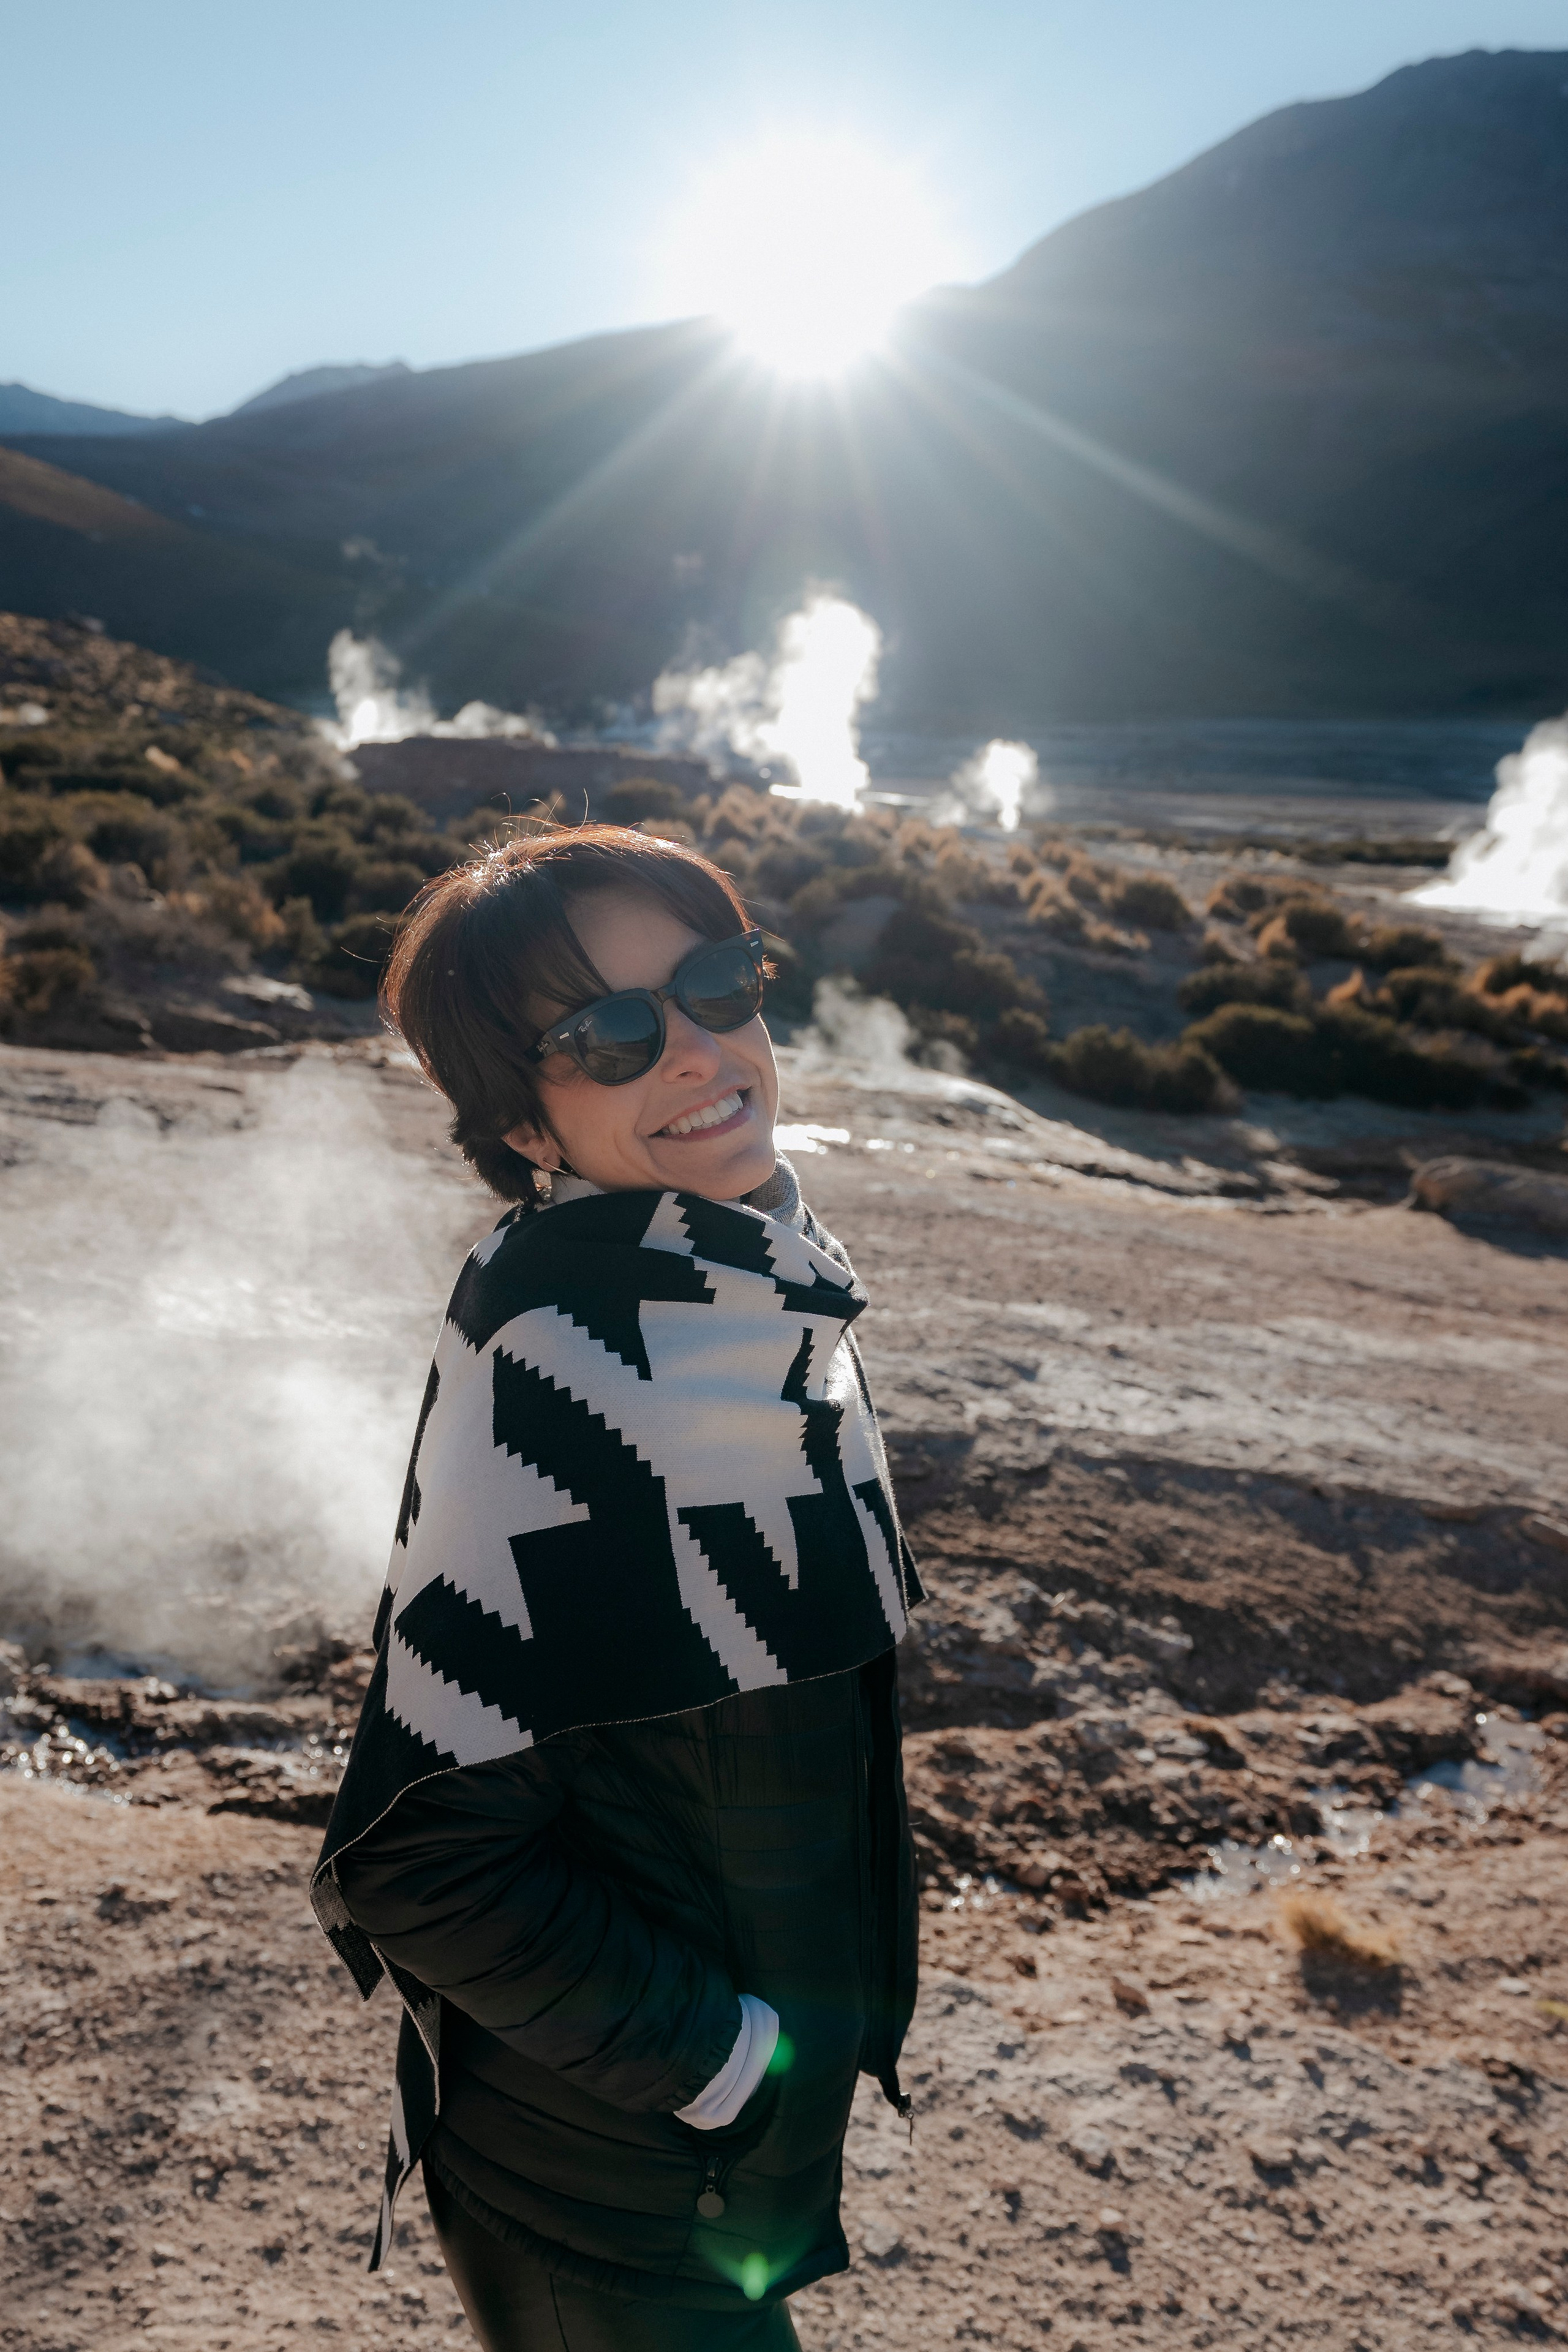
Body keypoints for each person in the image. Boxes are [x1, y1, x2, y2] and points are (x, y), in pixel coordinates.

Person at [310, 822, 922, 2352]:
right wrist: (730, 2064)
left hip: (705, 2177)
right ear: (523, 1121)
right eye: (608, 1034)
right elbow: (415, 1857)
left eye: (716, 985)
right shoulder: (568, 1356)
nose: (699, 1051)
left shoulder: (747, 1293)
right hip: (612, 2202)